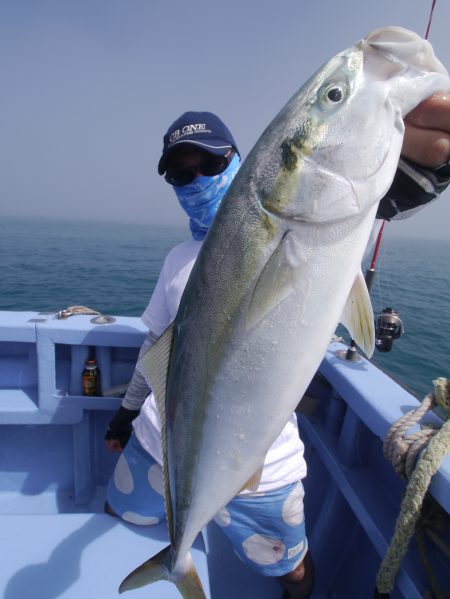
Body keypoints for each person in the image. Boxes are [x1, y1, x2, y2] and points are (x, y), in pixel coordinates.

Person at [105, 97, 450, 599]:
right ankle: (174, 558)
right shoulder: (177, 260)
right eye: (182, 174)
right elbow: (154, 349)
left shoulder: (305, 233)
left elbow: (358, 199)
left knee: (293, 572)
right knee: (123, 512)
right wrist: (126, 413)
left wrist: (421, 167)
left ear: (243, 163)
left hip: (261, 467)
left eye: (211, 163)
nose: (197, 179)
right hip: (158, 441)